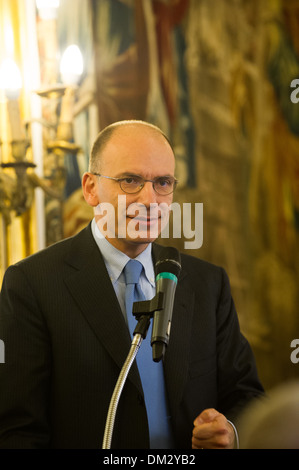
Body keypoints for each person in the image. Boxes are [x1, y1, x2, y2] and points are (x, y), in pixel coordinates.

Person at [0, 120, 264, 449]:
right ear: (90, 188)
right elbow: (18, 430)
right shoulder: (32, 284)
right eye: (130, 181)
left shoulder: (207, 284)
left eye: (163, 182)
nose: (149, 199)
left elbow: (248, 397)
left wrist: (231, 432)